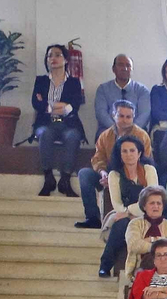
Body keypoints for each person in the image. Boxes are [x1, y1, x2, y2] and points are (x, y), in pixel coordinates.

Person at [77, 99, 152, 228]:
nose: (125, 120)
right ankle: (92, 217)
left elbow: (145, 161)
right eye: (121, 116)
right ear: (113, 115)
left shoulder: (142, 135)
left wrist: (115, 179)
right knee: (84, 174)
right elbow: (98, 157)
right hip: (108, 173)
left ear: (133, 117)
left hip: (132, 176)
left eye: (128, 117)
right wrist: (103, 173)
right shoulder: (105, 135)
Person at [33, 43, 87, 196]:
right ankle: (48, 178)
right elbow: (36, 103)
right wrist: (59, 107)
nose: (53, 58)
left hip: (68, 123)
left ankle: (65, 180)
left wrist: (49, 105)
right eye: (50, 55)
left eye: (57, 55)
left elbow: (74, 106)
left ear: (66, 60)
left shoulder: (74, 82)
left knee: (73, 136)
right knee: (45, 134)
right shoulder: (41, 81)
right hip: (46, 123)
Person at [91, 54, 153, 140]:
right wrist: (117, 130)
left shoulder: (142, 90)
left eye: (128, 65)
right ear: (113, 69)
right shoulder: (103, 89)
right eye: (121, 65)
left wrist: (131, 130)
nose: (125, 68)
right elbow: (101, 113)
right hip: (108, 130)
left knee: (141, 139)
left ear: (132, 69)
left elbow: (144, 114)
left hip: (136, 131)